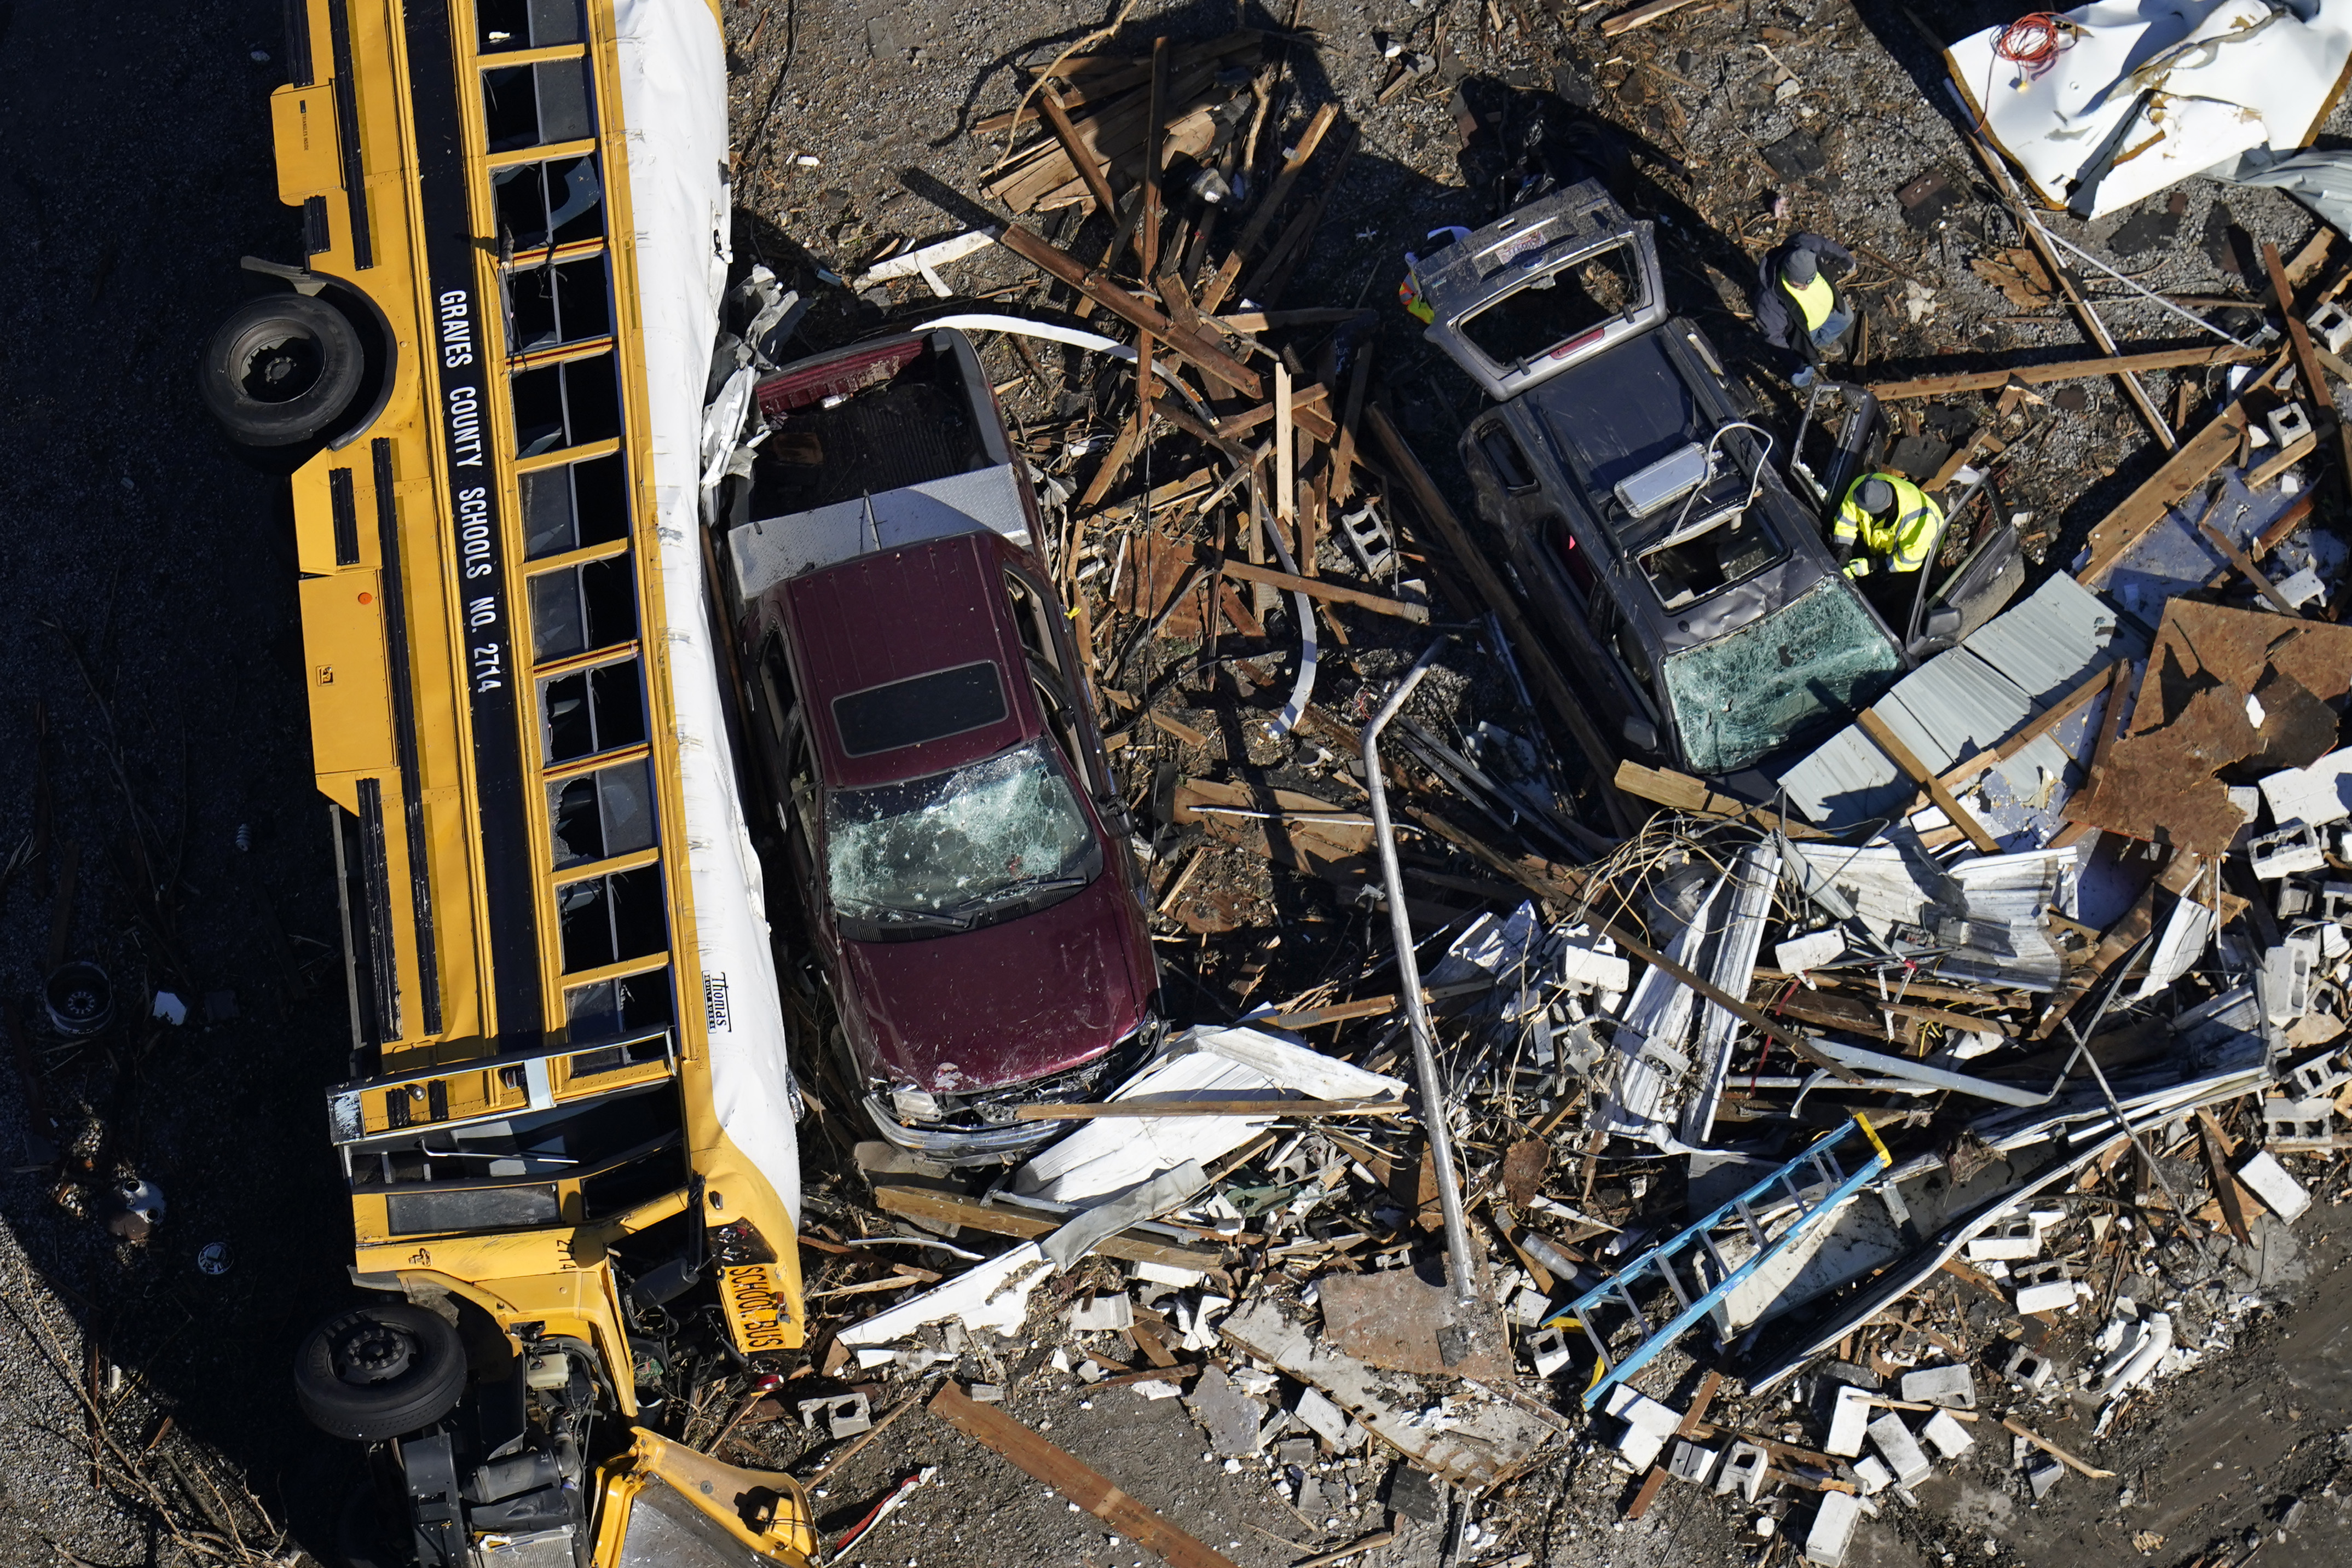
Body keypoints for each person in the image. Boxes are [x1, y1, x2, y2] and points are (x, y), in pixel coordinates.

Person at [1755, 234, 1856, 387]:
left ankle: (1820, 343)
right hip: (1804, 331)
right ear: (1787, 276)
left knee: (1846, 318)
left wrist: (1846, 260)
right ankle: (1807, 383)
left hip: (1829, 310)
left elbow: (1825, 245)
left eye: (1811, 280)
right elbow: (1773, 337)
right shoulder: (1769, 301)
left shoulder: (1805, 247)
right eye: (1800, 285)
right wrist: (1794, 361)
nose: (1806, 287)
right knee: (1803, 364)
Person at [1834, 473, 1944, 600]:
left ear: (1881, 510)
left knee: (1902, 590)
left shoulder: (1920, 524)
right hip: (1882, 540)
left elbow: (1908, 561)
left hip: (1921, 550)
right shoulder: (1861, 489)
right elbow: (1845, 524)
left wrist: (1872, 566)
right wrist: (1842, 561)